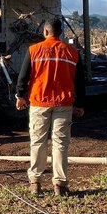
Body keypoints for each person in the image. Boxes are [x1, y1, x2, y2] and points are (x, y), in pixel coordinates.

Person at [15, 18, 86, 197]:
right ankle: (60, 185)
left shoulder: (33, 50)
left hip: (39, 103)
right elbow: (80, 82)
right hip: (64, 104)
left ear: (45, 32)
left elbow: (23, 77)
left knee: (37, 142)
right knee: (61, 144)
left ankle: (35, 183)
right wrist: (80, 104)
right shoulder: (72, 52)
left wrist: (20, 96)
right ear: (60, 32)